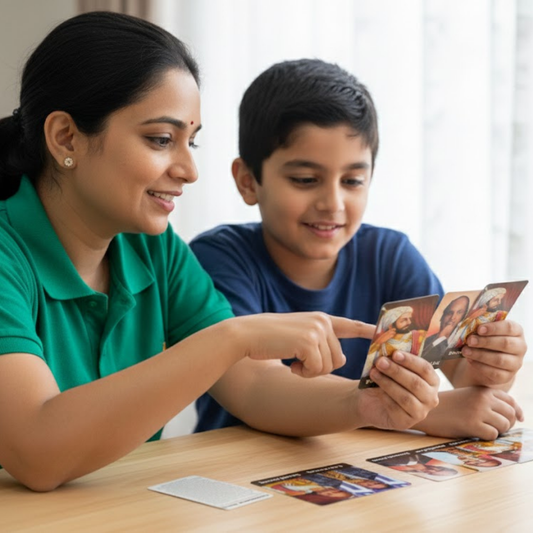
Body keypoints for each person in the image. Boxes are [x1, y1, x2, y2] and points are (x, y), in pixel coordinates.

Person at [0, 13, 441, 491]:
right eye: (161, 140)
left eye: (192, 141)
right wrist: (230, 338)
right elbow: (36, 449)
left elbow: (253, 386)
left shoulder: (153, 249)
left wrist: (364, 404)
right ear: (66, 137)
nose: (190, 169)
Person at [190, 58, 527, 439]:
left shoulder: (389, 254)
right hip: (235, 471)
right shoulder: (216, 260)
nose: (332, 203)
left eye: (352, 180)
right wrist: (421, 413)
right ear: (249, 181)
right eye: (305, 179)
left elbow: (463, 375)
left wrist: (493, 364)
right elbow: (256, 387)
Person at [422, 295, 470, 364]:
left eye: (459, 312)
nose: (452, 318)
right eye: (449, 313)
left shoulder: (462, 344)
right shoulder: (426, 341)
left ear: (463, 319)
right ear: (442, 317)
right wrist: (440, 338)